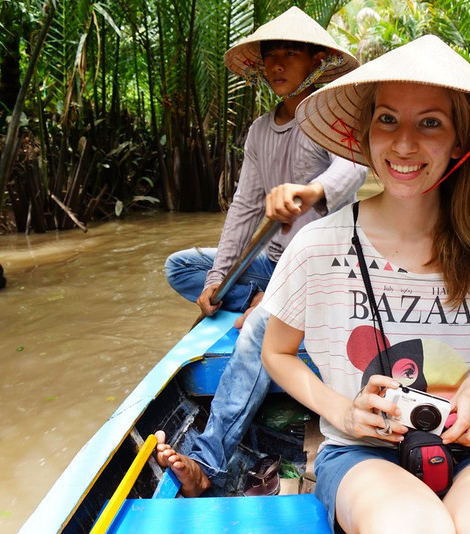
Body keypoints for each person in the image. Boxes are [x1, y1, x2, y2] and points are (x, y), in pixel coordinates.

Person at [260, 34, 470, 533]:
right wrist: (344, 413)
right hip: (361, 452)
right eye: (387, 119)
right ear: (366, 132)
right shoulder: (318, 244)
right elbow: (276, 353)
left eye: (430, 123)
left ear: (460, 139)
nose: (404, 143)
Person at [154, 7, 367, 498]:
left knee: (256, 332)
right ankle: (255, 297)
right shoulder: (257, 131)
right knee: (182, 267)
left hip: (323, 271)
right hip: (272, 263)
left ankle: (206, 462)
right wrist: (216, 281)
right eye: (271, 57)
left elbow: (353, 170)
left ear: (316, 60)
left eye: (290, 54)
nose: (277, 66)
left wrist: (311, 192)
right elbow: (245, 209)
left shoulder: (332, 118)